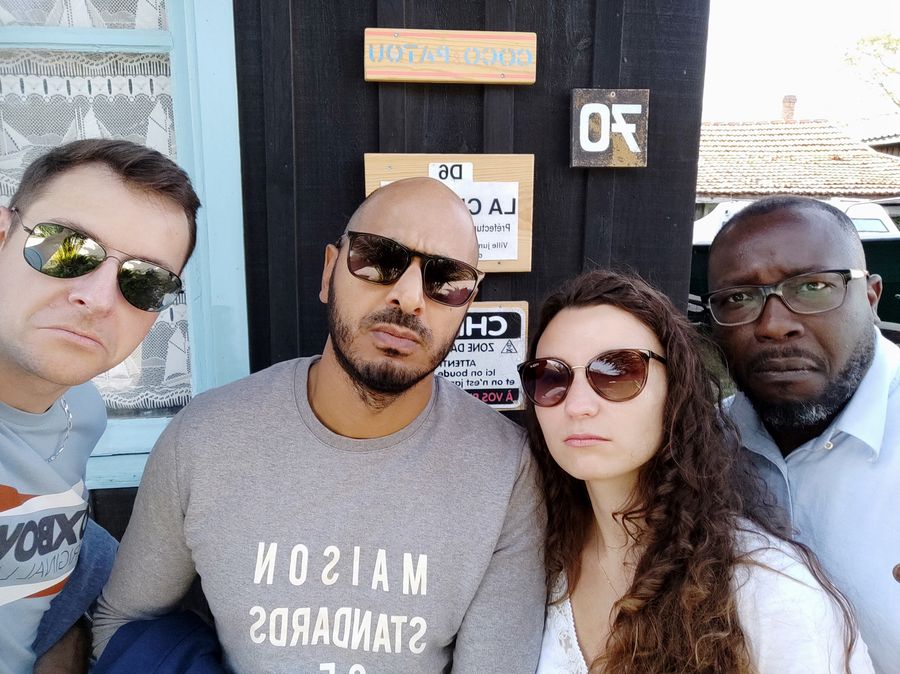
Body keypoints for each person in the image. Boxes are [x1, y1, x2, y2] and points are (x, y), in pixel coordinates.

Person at [92, 177, 545, 672]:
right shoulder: (204, 438)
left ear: (467, 303)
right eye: (379, 259)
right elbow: (122, 624)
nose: (409, 297)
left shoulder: (505, 469)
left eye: (445, 280)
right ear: (330, 271)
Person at [520, 269, 873, 673]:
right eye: (550, 377)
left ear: (676, 390)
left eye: (618, 371)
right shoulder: (539, 562)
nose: (577, 405)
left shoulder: (768, 591)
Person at [0, 138, 199, 674]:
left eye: (145, 279)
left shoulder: (80, 410)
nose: (99, 298)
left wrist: (67, 632)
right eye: (66, 248)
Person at [705, 195, 899, 673]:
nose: (774, 325)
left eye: (813, 287)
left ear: (871, 295)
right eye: (738, 298)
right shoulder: (701, 444)